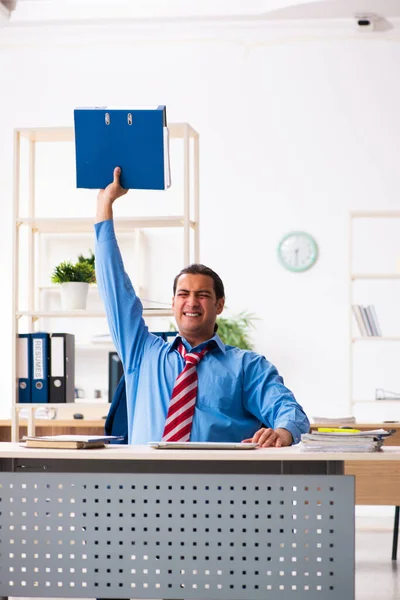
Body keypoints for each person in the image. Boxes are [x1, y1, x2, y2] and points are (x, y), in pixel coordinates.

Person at [95, 167, 310, 449]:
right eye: (183, 294)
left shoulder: (247, 367)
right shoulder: (142, 352)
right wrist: (104, 205)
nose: (192, 302)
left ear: (219, 304)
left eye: (203, 295)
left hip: (216, 487)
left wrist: (282, 432)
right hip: (144, 485)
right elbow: (115, 290)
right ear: (173, 304)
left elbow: (289, 411)